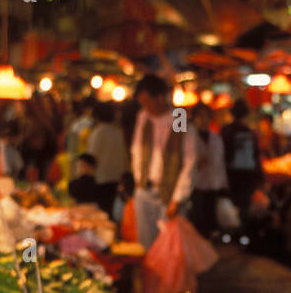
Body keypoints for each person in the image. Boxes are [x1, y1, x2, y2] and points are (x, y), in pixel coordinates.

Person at [129, 73, 196, 248]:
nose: (146, 107)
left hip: (169, 192)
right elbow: (136, 149)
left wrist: (178, 197)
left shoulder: (179, 117)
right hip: (145, 189)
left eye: (147, 102)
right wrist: (138, 181)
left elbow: (189, 160)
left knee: (169, 246)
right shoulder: (144, 117)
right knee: (146, 244)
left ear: (160, 97)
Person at [221, 98, 262, 237]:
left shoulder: (226, 131)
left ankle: (229, 234)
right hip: (247, 175)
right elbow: (256, 157)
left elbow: (221, 155)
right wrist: (259, 178)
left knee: (231, 205)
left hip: (231, 174)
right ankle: (243, 236)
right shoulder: (251, 133)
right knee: (244, 206)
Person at [186, 102, 229, 238]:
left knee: (211, 217)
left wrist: (223, 184)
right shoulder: (189, 137)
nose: (203, 120)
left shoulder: (216, 138)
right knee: (198, 217)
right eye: (200, 116)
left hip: (213, 183)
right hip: (196, 184)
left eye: (206, 116)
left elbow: (220, 162)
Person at [87, 101, 128, 216]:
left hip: (101, 180)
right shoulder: (118, 132)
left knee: (103, 213)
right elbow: (124, 156)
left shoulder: (97, 133)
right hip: (117, 178)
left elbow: (92, 158)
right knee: (114, 213)